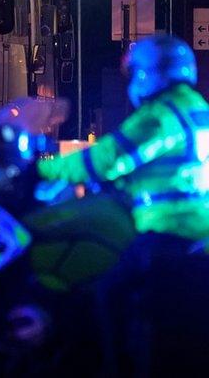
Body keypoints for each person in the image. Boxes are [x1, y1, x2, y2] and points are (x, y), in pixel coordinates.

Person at [38, 34, 209, 375]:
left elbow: (110, 157)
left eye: (134, 74)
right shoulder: (195, 106)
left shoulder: (160, 114)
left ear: (148, 74)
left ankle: (112, 368)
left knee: (102, 290)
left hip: (171, 233)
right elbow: (163, 167)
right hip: (193, 233)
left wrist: (40, 168)